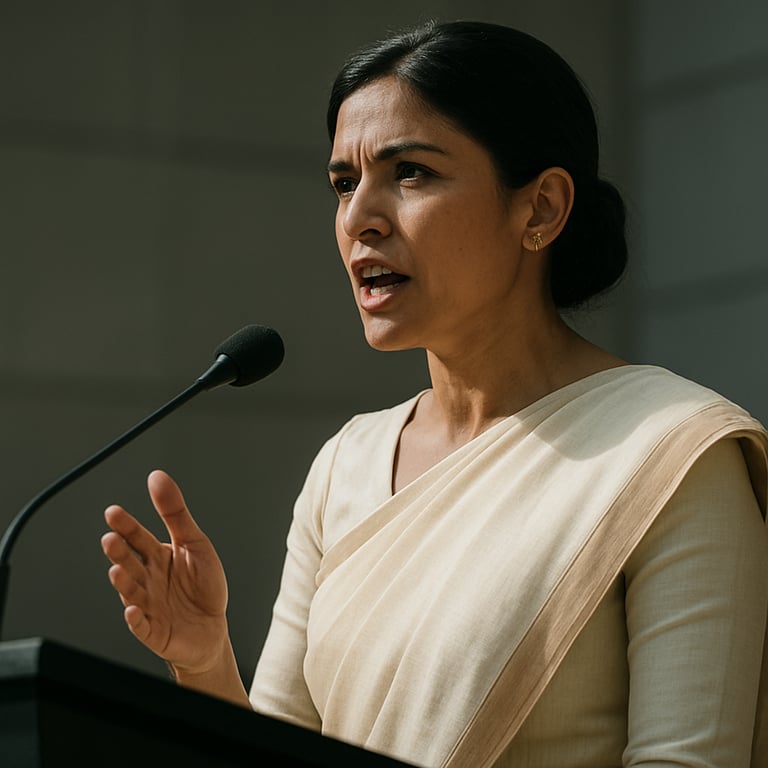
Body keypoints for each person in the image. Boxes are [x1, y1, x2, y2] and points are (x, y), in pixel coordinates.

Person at [101, 20, 768, 768]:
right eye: (344, 184)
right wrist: (204, 663)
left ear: (542, 208)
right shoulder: (346, 465)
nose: (360, 219)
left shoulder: (675, 454)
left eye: (410, 172)